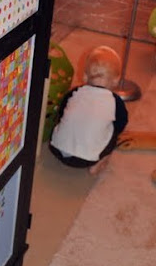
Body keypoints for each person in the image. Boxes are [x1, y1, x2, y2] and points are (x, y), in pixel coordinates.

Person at [49, 45, 128, 175]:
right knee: (114, 134)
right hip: (87, 159)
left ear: (85, 76)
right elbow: (121, 124)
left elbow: (62, 112)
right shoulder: (115, 101)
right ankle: (98, 162)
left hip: (57, 148)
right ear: (116, 80)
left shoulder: (75, 92)